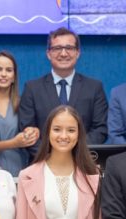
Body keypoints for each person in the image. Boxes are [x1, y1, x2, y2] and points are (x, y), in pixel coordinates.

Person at [19, 27, 108, 155]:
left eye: (69, 48)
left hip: (82, 163)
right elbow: (27, 131)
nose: (63, 53)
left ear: (78, 53)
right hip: (43, 164)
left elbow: (100, 130)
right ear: (48, 53)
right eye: (57, 48)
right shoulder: (32, 88)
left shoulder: (94, 88)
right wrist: (52, 157)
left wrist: (75, 153)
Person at [0, 50, 40, 176]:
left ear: (14, 76)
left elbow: (34, 130)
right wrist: (13, 143)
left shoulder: (24, 104)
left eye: (9, 70)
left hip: (20, 169)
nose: (3, 74)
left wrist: (34, 132)